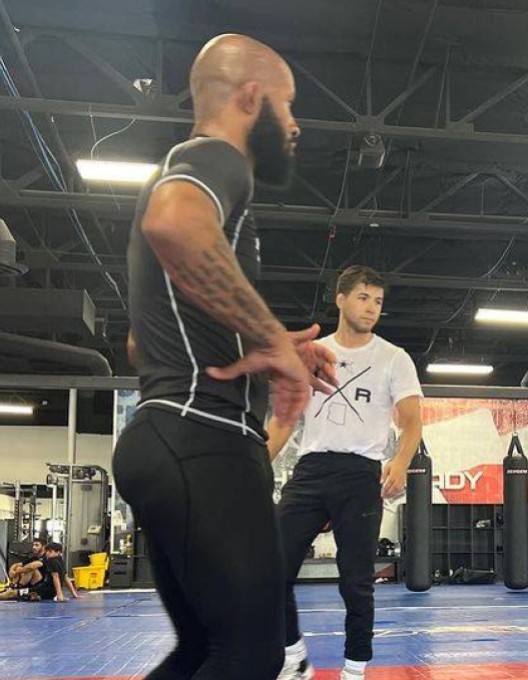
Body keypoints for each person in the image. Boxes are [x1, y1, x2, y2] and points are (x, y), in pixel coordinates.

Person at [112, 34, 337, 680]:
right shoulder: (216, 160)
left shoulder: (194, 172)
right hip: (201, 440)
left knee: (204, 653)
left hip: (166, 439)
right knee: (249, 656)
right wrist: (270, 340)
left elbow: (140, 342)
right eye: (289, 107)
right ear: (251, 97)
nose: (294, 126)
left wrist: (263, 344)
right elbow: (175, 224)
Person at [268, 265, 424, 680]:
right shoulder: (310, 354)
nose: (371, 308)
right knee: (271, 570)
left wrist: (401, 461)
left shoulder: (394, 358)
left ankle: (354, 669)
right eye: (362, 297)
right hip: (311, 469)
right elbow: (284, 421)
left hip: (360, 474)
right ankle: (293, 657)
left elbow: (412, 422)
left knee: (356, 582)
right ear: (340, 299)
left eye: (377, 301)